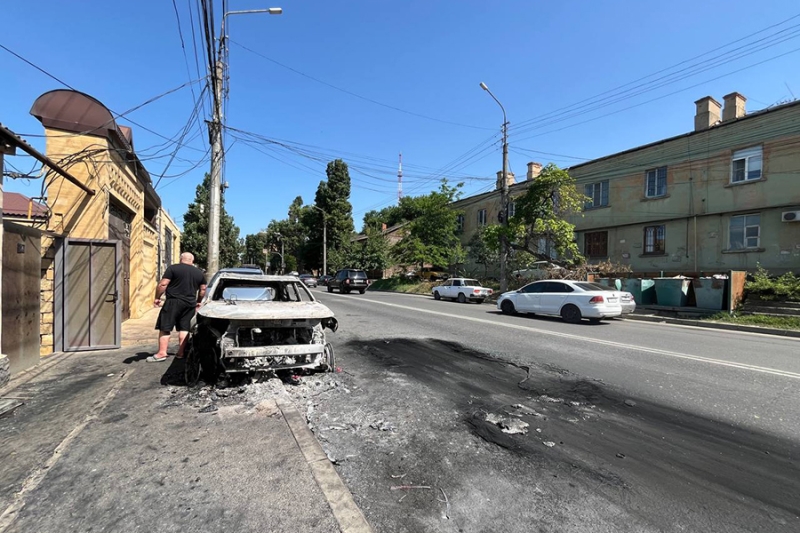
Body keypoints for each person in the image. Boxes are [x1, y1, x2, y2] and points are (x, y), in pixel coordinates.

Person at [147, 252, 207, 362]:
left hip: (173, 302)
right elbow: (203, 289)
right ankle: (181, 353)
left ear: (180, 259)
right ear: (192, 261)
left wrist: (157, 297)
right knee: (184, 328)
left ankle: (162, 353)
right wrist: (198, 301)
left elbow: (163, 284)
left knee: (165, 328)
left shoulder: (173, 268)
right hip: (190, 303)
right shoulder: (199, 273)